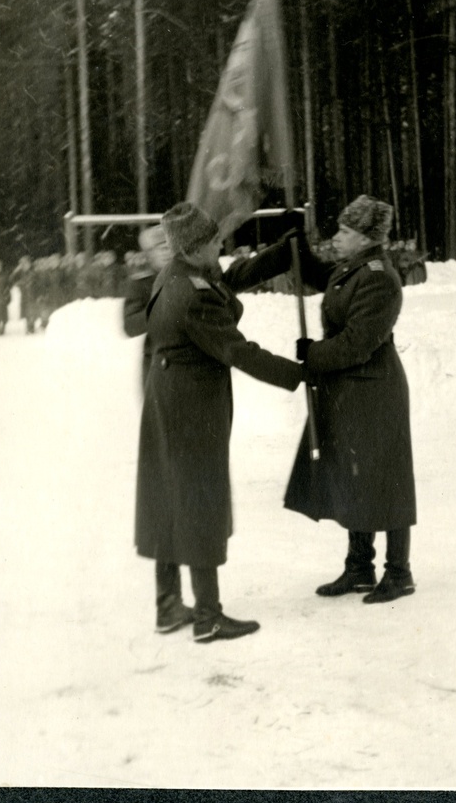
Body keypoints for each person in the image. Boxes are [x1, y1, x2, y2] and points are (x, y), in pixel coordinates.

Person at [136, 202, 303, 643]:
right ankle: (208, 616)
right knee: (199, 502)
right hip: (191, 410)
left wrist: (278, 255)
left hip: (166, 400)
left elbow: (223, 283)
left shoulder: (173, 273)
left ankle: (169, 606)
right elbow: (238, 351)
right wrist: (299, 373)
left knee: (170, 500)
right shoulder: (192, 296)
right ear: (195, 248)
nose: (221, 245)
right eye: (214, 241)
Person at [286, 194, 417, 605]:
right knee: (355, 475)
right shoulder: (352, 267)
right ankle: (360, 567)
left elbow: (358, 343)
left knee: (386, 479)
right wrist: (295, 239)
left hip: (374, 388)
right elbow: (315, 274)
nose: (338, 237)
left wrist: (313, 354)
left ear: (366, 238)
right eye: (339, 230)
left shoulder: (378, 276)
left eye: (346, 231)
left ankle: (399, 573)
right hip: (350, 388)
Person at [123, 225, 171, 393]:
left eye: (169, 247)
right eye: (161, 249)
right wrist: (157, 311)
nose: (166, 252)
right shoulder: (141, 283)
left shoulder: (187, 276)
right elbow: (129, 326)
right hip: (157, 361)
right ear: (150, 254)